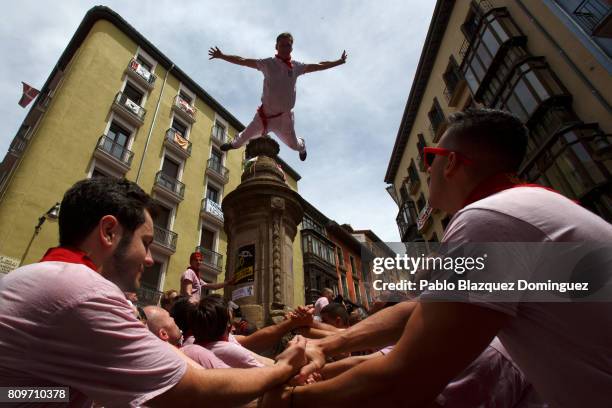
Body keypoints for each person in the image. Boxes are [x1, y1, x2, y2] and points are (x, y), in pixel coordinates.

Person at [262, 109, 612, 407]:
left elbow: (407, 377)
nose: (426, 170)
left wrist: (290, 401)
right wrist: (332, 344)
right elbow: (423, 308)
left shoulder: (489, 219)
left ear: (452, 163)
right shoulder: (529, 209)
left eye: (429, 157)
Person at [0, 177, 308, 407]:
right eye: (146, 243)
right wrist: (282, 368)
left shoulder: (39, 277)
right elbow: (192, 389)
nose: (149, 259)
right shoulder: (82, 291)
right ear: (109, 232)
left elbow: (23, 391)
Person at [209, 32, 348, 161]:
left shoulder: (296, 67)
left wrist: (338, 62)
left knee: (294, 145)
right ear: (276, 47)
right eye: (283, 45)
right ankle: (232, 144)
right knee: (240, 141)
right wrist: (222, 56)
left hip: (284, 118)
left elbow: (319, 65)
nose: (286, 47)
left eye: (288, 45)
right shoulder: (267, 64)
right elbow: (243, 60)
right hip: (265, 115)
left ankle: (303, 146)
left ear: (292, 48)